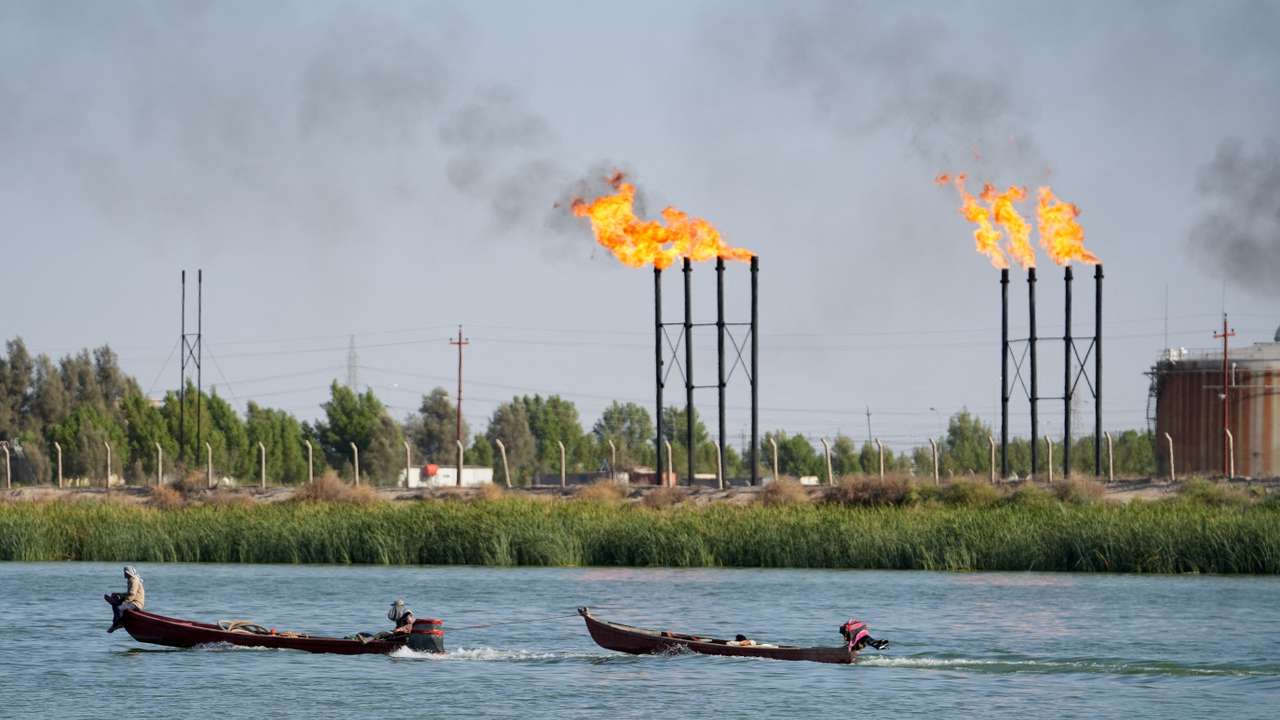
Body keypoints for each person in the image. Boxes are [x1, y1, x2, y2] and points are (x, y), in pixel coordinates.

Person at [104, 566, 145, 633]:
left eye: (124, 572)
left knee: (119, 608)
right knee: (115, 604)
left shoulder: (133, 580)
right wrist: (119, 594)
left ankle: (119, 624)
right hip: (133, 601)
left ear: (128, 573)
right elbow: (129, 593)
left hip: (136, 603)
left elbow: (132, 594)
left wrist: (124, 602)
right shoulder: (131, 579)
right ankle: (115, 623)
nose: (124, 574)